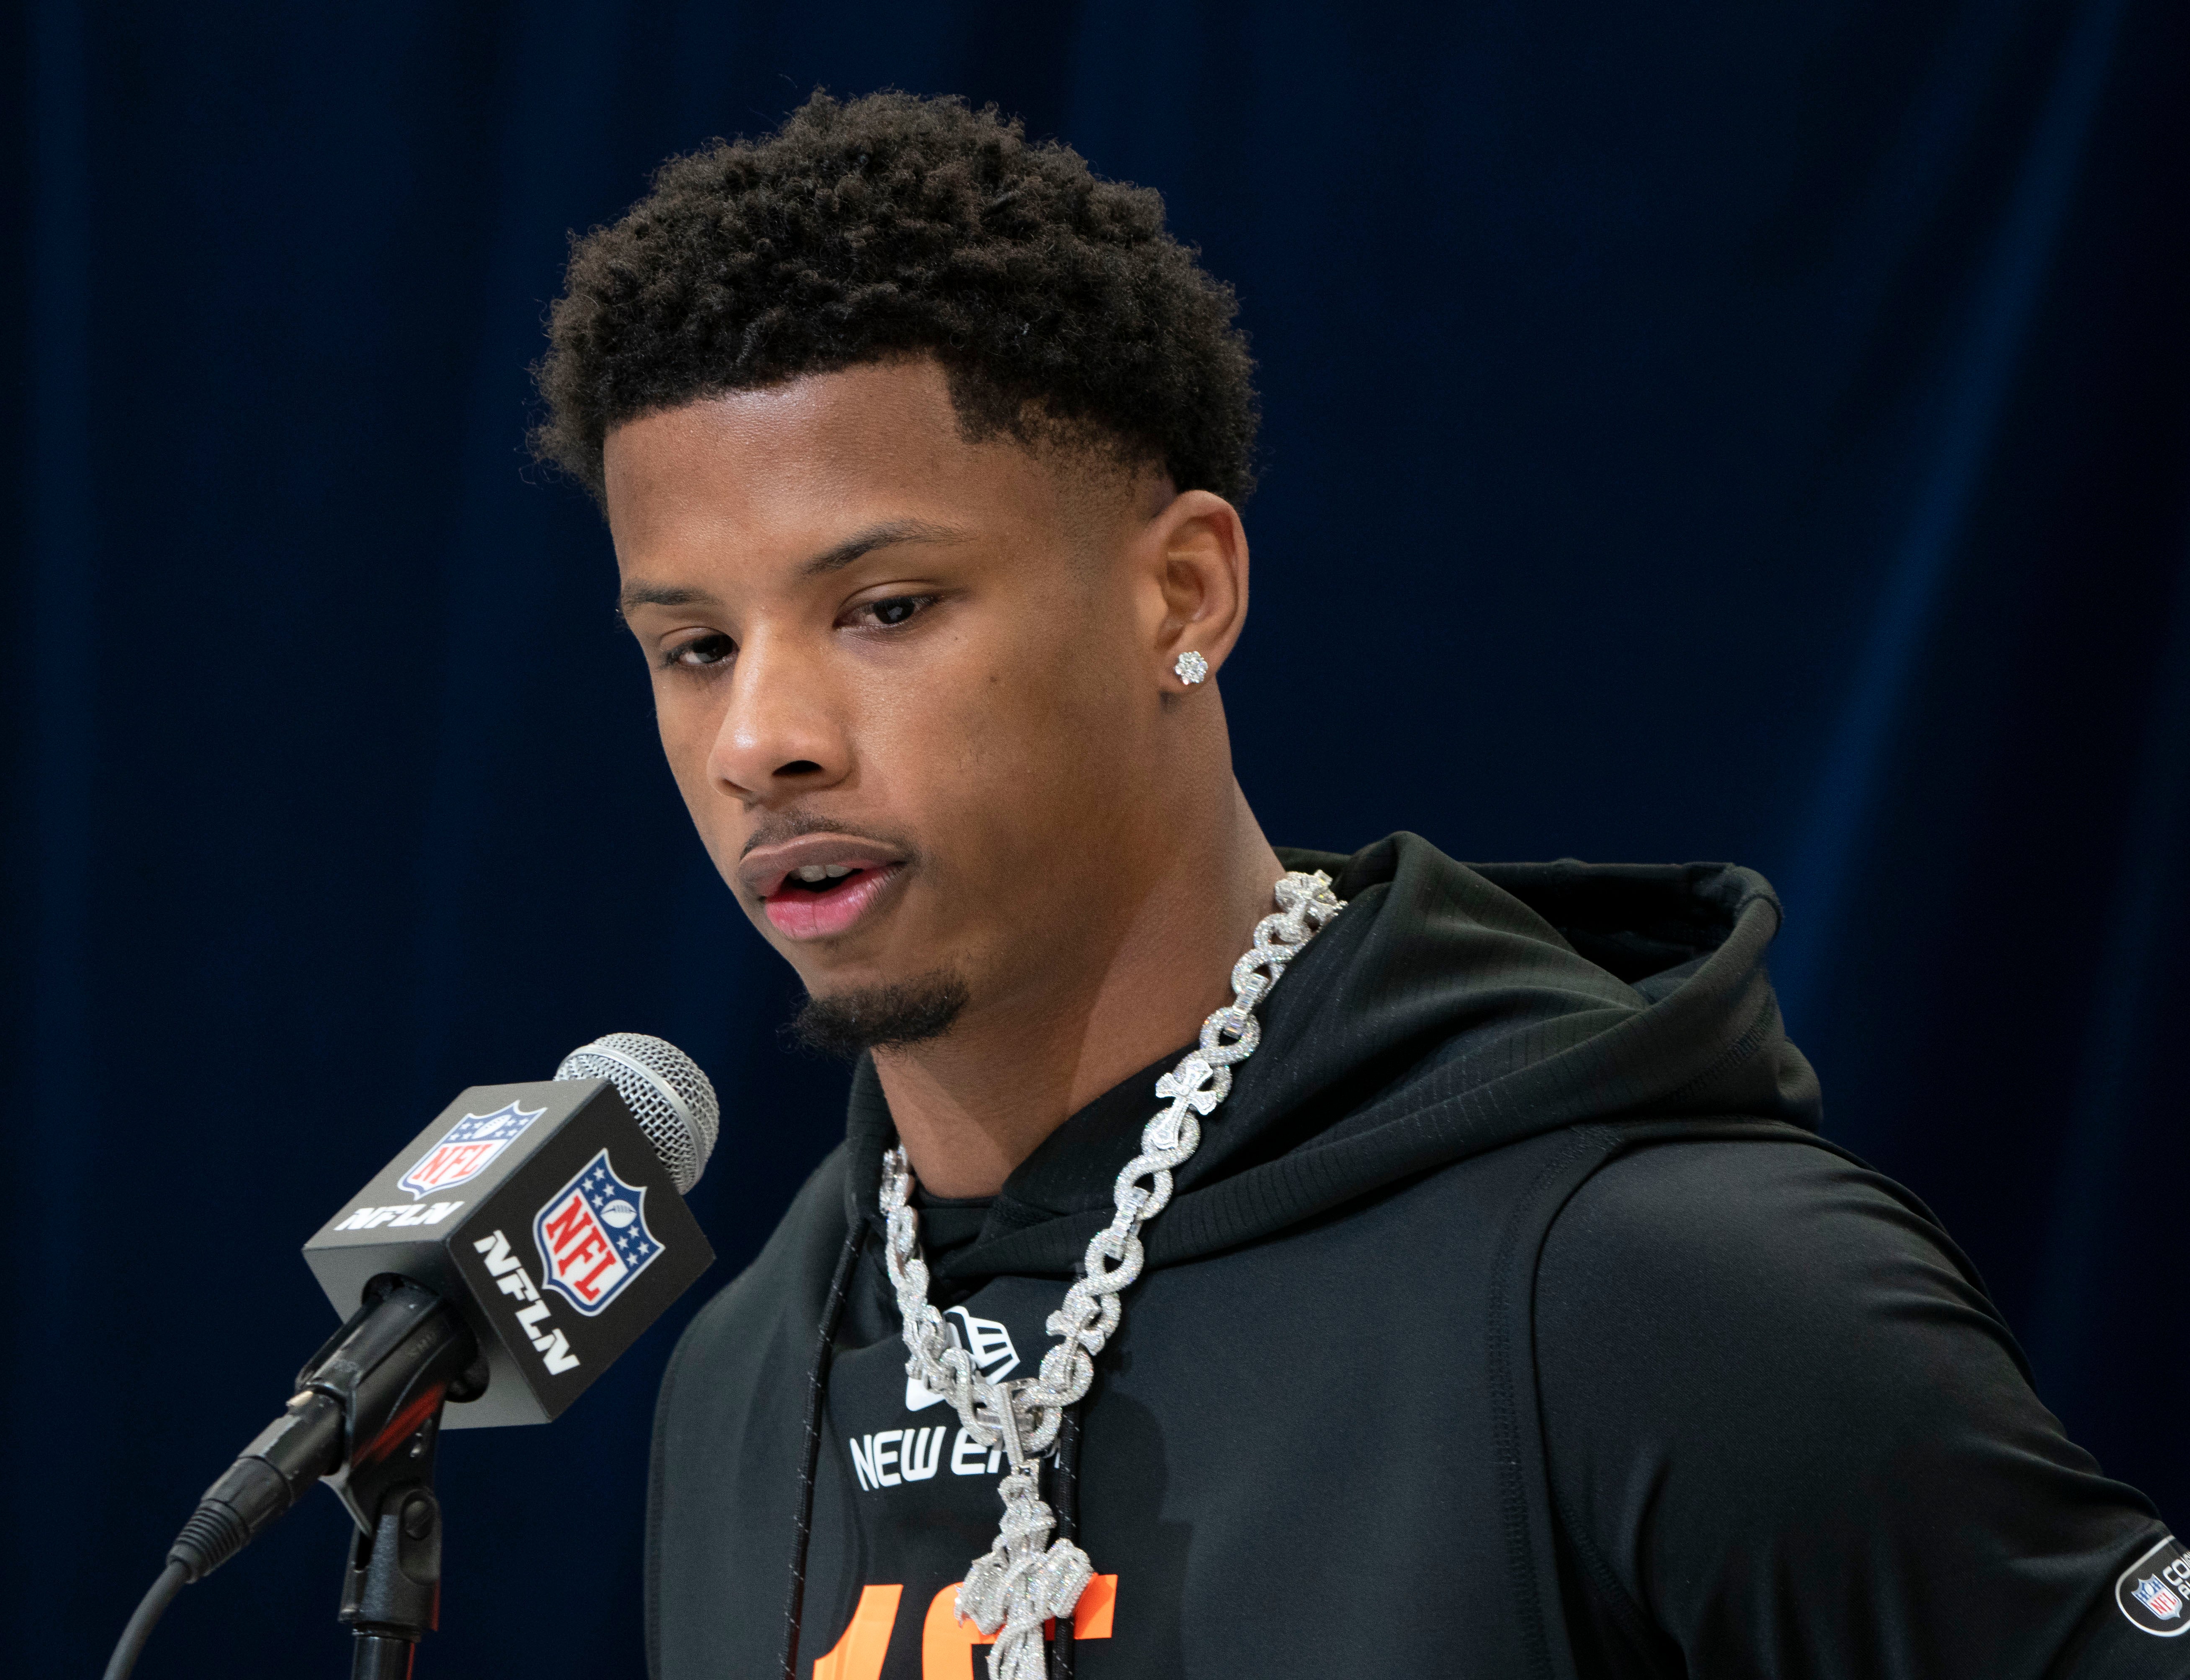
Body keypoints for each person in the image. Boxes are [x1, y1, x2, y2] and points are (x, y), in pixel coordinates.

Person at [529, 90, 2185, 1680]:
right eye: (693, 647)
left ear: (1180, 592)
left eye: (885, 607)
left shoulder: (1654, 1282)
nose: (761, 739)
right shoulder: (751, 1377)